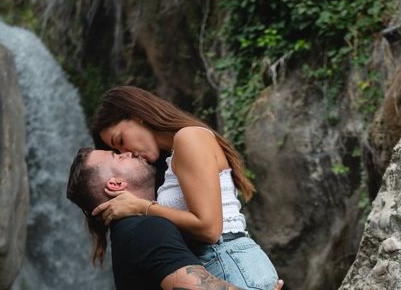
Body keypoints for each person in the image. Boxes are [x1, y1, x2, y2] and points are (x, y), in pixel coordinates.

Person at [89, 86, 279, 290]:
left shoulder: (189, 138)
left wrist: (142, 207)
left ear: (138, 116)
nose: (127, 152)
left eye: (121, 141)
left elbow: (209, 229)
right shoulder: (171, 159)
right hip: (225, 266)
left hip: (228, 262)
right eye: (117, 151)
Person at [66, 147, 282, 289]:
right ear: (115, 184)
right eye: (117, 155)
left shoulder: (130, 233)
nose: (128, 152)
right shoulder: (144, 230)